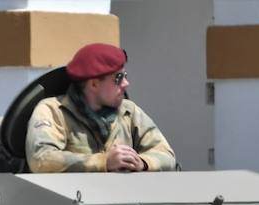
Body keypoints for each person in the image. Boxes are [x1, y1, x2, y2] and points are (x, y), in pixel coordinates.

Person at [26, 43, 176, 174]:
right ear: (94, 84)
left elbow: (167, 155)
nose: (126, 83)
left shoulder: (129, 111)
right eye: (118, 78)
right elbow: (41, 159)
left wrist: (142, 162)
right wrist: (104, 162)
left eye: (125, 75)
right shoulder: (53, 111)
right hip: (74, 201)